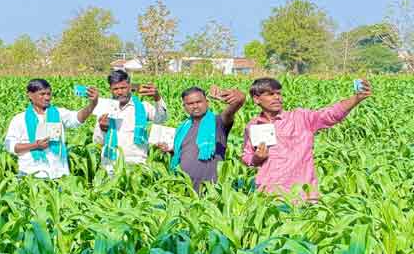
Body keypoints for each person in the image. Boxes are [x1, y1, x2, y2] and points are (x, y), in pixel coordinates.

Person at [240, 77, 371, 200]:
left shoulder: (300, 118)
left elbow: (330, 115)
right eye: (270, 94)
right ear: (256, 99)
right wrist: (257, 158)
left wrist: (355, 99)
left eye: (279, 94)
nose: (277, 98)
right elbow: (246, 156)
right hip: (269, 195)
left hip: (303, 195)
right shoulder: (253, 126)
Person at [152, 86, 246, 191]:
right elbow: (183, 153)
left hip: (211, 189)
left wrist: (233, 96)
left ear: (207, 102)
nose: (195, 106)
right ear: (184, 106)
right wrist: (170, 150)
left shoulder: (219, 122)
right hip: (184, 187)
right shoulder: (182, 128)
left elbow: (238, 102)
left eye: (199, 102)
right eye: (190, 104)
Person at [5, 79, 99, 179]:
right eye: (42, 94)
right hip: (31, 176)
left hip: (58, 174)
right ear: (30, 95)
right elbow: (9, 146)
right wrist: (35, 145)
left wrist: (93, 104)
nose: (47, 97)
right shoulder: (19, 119)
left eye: (49, 94)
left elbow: (77, 118)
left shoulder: (58, 114)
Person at [91, 70, 168, 171]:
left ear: (130, 87)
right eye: (115, 89)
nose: (119, 92)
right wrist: (102, 129)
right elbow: (97, 141)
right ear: (110, 89)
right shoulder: (104, 109)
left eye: (123, 88)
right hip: (110, 165)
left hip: (137, 165)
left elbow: (161, 119)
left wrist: (157, 98)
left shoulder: (143, 107)